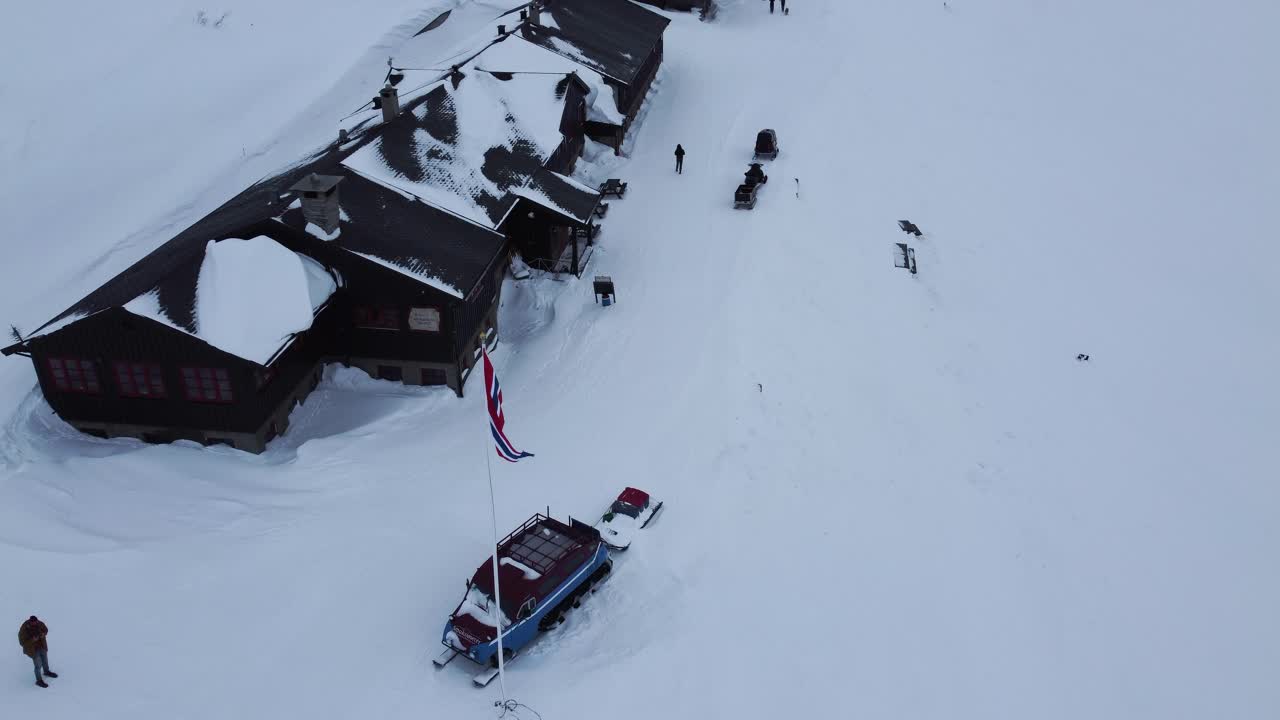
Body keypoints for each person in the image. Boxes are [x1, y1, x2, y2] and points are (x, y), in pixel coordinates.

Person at [19, 616, 57, 688]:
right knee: (38, 665)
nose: (36, 623)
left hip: (42, 646)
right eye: (34, 623)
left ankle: (46, 672)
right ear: (30, 622)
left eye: (36, 622)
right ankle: (39, 680)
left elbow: (45, 629)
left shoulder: (39, 623)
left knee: (45, 660)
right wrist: (32, 640)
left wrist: (43, 634)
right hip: (33, 649)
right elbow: (22, 642)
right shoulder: (24, 628)